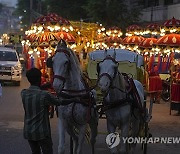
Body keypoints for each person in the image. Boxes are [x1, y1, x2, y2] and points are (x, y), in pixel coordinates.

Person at [21, 68, 78, 154]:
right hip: (42, 133)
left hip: (29, 131)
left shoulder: (24, 93)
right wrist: (74, 99)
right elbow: (60, 102)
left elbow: (37, 89)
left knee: (35, 152)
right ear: (40, 79)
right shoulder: (45, 95)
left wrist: (46, 85)